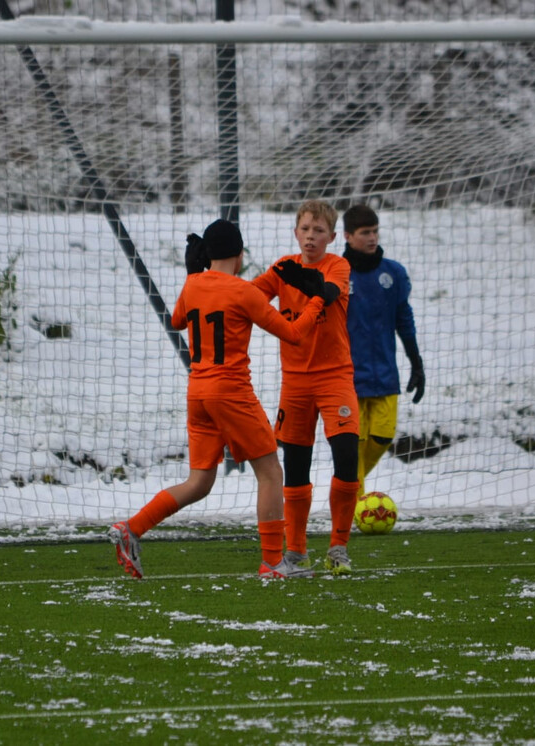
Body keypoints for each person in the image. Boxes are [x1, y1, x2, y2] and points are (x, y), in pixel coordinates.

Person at [109, 219, 326, 579]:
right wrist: (318, 300)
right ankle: (273, 562)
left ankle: (131, 529)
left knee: (199, 482)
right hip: (231, 392)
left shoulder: (194, 284)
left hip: (198, 393)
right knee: (271, 472)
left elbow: (178, 319)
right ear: (240, 255)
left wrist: (193, 274)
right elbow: (293, 334)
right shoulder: (244, 292)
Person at [251, 200, 360, 576]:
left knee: (347, 455)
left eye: (319, 230)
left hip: (335, 377)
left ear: (331, 236)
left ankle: (338, 547)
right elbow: (248, 298)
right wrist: (212, 280)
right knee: (295, 467)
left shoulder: (338, 265)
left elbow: (328, 293)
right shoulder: (282, 268)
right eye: (305, 229)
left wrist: (306, 285)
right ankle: (296, 552)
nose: (311, 236)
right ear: (295, 231)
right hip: (295, 382)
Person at [342, 204, 425, 498]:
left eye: (375, 231)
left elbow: (404, 319)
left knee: (382, 436)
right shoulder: (336, 274)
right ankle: (355, 507)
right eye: (365, 232)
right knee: (355, 444)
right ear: (348, 236)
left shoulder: (394, 273)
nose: (372, 238)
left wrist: (416, 361)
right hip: (348, 379)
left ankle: (347, 490)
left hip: (385, 376)